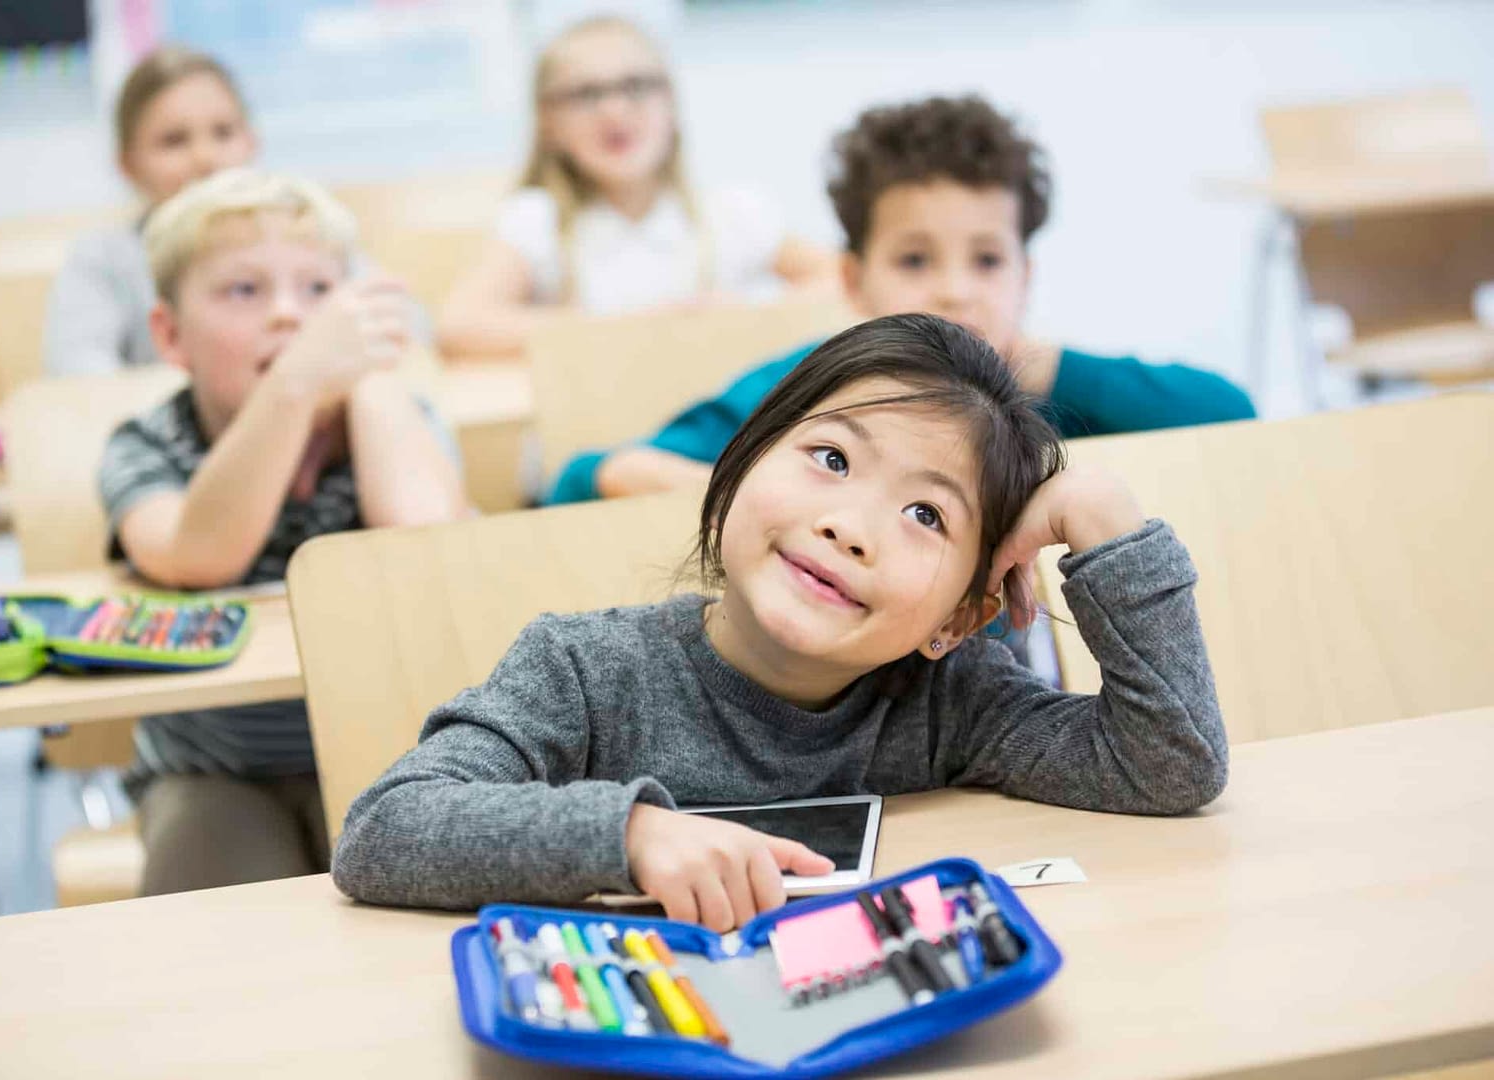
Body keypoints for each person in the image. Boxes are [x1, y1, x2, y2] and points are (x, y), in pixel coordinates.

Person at [333, 314, 1227, 931]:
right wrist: (632, 836)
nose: (850, 527)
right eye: (830, 457)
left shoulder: (952, 699)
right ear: (737, 471)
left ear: (961, 615)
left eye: (927, 516)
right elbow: (385, 832)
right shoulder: (583, 670)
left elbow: (1170, 764)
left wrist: (1105, 519)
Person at [546, 94, 1255, 504]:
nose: (955, 288)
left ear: (1025, 276)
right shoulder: (810, 386)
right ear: (853, 280)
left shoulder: (1054, 393)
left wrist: (1046, 368)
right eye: (915, 259)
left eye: (987, 259)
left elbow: (1230, 416)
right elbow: (579, 484)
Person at [98, 168, 466, 894]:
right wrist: (294, 384)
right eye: (245, 290)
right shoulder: (146, 445)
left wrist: (368, 374)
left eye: (320, 292)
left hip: (398, 751)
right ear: (171, 336)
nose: (291, 316)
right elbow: (199, 556)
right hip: (213, 773)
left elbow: (424, 545)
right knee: (217, 924)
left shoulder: (393, 420)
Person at [437, 15, 834, 359]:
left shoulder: (732, 212)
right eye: (585, 94)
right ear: (548, 122)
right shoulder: (536, 221)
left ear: (671, 104)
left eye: (637, 85)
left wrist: (742, 310)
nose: (614, 109)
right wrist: (626, 330)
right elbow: (460, 324)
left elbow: (843, 278)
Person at [44, 45, 258, 377]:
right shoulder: (105, 260)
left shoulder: (311, 239)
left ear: (251, 142)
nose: (205, 158)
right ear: (128, 163)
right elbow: (78, 374)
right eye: (174, 140)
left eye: (223, 133)